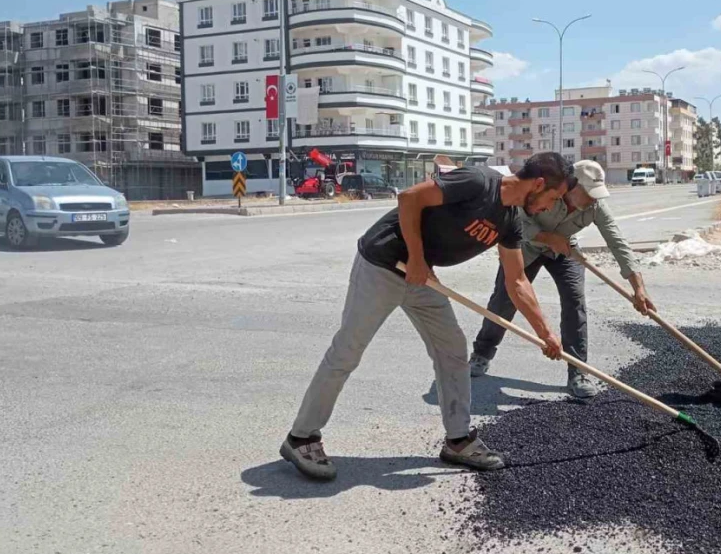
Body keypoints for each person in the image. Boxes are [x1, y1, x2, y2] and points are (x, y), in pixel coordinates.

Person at [281, 153, 573, 481]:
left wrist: (546, 334)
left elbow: (517, 280)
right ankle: (301, 437)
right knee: (347, 351)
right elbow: (409, 198)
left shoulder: (510, 220)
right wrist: (417, 258)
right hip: (384, 264)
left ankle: (458, 440)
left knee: (452, 351)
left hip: (423, 279)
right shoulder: (478, 181)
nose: (551, 207)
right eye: (554, 197)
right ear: (538, 184)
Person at [467, 160, 656, 397]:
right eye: (588, 193)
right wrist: (545, 237)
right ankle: (482, 354)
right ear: (571, 186)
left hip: (565, 251)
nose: (592, 199)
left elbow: (616, 241)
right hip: (525, 249)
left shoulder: (595, 206)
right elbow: (514, 219)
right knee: (504, 300)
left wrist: (637, 286)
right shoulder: (545, 190)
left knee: (574, 302)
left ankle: (578, 371)